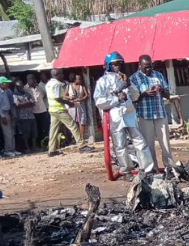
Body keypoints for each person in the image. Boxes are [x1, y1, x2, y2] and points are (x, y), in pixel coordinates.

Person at [95, 52, 153, 181]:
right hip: (115, 116)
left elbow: (136, 96)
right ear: (108, 65)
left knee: (140, 142)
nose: (118, 66)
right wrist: (116, 99)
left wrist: (129, 85)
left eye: (120, 63)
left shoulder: (126, 78)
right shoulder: (102, 81)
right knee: (120, 145)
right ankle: (125, 170)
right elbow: (99, 101)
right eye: (115, 64)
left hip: (129, 114)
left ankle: (147, 169)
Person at [130, 54, 175, 170]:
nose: (149, 69)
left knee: (165, 142)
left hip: (160, 113)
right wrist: (144, 94)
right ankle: (153, 169)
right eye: (146, 67)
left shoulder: (158, 75)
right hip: (144, 115)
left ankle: (169, 166)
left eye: (150, 66)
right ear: (139, 65)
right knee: (148, 144)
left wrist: (161, 90)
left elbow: (168, 95)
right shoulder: (134, 79)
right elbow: (132, 99)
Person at [46, 69, 93, 157]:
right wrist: (69, 103)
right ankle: (82, 146)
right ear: (58, 75)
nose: (63, 75)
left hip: (52, 109)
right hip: (59, 109)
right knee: (73, 126)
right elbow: (57, 98)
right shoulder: (57, 84)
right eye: (61, 74)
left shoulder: (49, 83)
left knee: (53, 130)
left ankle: (52, 150)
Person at [0, 76, 18, 157]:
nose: (8, 84)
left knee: (11, 132)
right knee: (7, 133)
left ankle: (13, 149)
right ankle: (8, 150)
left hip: (8, 113)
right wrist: (2, 117)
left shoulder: (6, 90)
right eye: (6, 83)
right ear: (2, 84)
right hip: (3, 114)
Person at [25, 74, 49, 149]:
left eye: (34, 79)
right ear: (28, 80)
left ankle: (45, 144)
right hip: (34, 112)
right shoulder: (25, 89)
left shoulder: (39, 87)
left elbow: (43, 96)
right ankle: (38, 145)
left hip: (42, 110)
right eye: (31, 79)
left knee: (45, 128)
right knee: (36, 129)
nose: (33, 81)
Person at [66, 74, 93, 142]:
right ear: (74, 79)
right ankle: (74, 138)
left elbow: (86, 95)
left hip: (81, 106)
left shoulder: (82, 86)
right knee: (73, 122)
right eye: (79, 79)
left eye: (80, 79)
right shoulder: (69, 86)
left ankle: (81, 138)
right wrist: (70, 97)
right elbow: (64, 96)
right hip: (72, 107)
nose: (80, 80)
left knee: (82, 121)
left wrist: (81, 99)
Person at [12, 80, 37, 153]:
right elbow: (17, 105)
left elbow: (33, 103)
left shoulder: (27, 94)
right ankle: (27, 148)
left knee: (34, 132)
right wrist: (27, 103)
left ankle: (34, 147)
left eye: (21, 86)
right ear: (16, 87)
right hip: (22, 117)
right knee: (25, 134)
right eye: (18, 86)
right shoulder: (15, 95)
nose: (20, 87)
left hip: (31, 115)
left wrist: (24, 104)